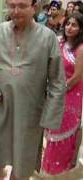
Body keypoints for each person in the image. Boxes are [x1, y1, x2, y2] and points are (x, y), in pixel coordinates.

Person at [0, 0, 66, 179]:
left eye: (22, 6)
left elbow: (57, 81)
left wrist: (49, 118)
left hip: (30, 113)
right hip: (0, 109)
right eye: (12, 6)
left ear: (35, 7)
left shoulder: (48, 37)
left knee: (22, 165)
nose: (16, 11)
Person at [42, 13, 83, 176]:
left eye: (74, 25)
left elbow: (77, 77)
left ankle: (61, 171)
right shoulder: (60, 43)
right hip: (57, 92)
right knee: (52, 131)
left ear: (80, 29)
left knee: (64, 132)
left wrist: (59, 91)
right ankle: (49, 169)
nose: (69, 28)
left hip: (71, 95)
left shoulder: (80, 49)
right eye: (67, 24)